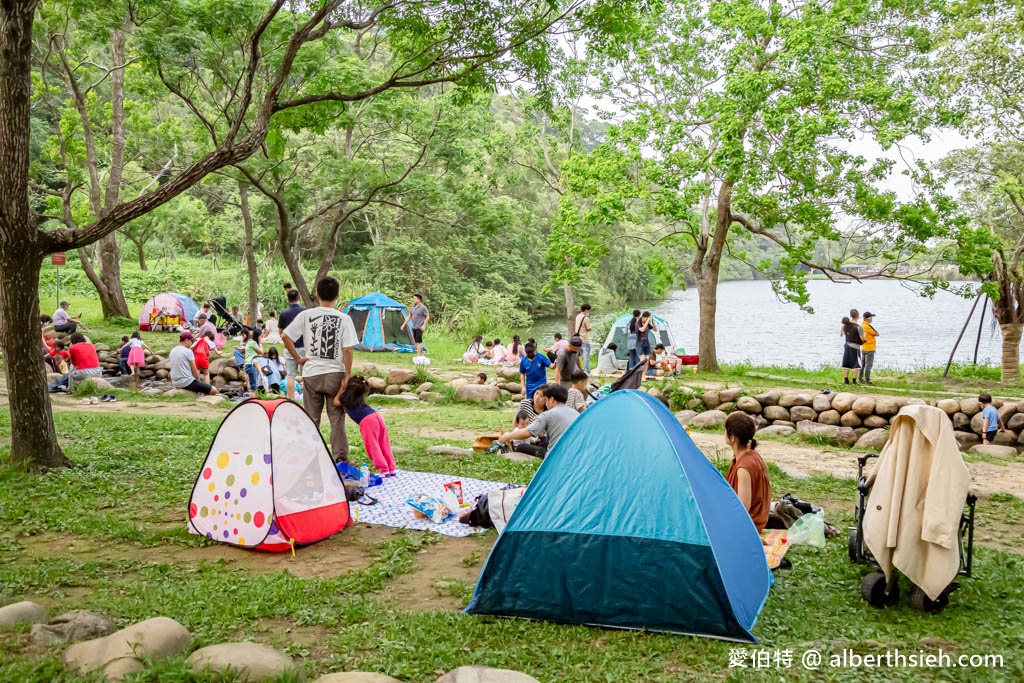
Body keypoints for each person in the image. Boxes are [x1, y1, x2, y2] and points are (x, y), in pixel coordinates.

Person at [283, 276, 358, 463]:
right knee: (336, 418)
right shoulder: (344, 319)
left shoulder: (306, 315)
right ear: (337, 296)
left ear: (317, 294)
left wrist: (298, 358)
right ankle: (340, 458)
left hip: (312, 373)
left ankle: (309, 457)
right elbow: (347, 349)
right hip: (335, 373)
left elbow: (285, 336)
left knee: (311, 418)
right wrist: (347, 374)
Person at [336, 376, 397, 477]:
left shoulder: (345, 398)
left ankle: (383, 469)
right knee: (383, 443)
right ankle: (391, 468)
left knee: (372, 446)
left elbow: (335, 402)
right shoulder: (359, 399)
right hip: (376, 416)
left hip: (367, 421)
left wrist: (341, 389)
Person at [498, 384, 578, 458]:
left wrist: (507, 436)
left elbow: (526, 433)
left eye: (546, 399)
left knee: (521, 447)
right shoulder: (575, 413)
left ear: (552, 399)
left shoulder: (548, 414)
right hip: (575, 452)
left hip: (556, 455)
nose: (546, 403)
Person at [724, 412, 771, 532]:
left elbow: (743, 508)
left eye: (726, 430)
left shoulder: (744, 468)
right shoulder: (752, 455)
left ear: (733, 437)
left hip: (748, 525)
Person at [277, 289, 306, 400]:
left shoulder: (284, 313)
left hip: (289, 347)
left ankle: (290, 399)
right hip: (304, 347)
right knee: (306, 375)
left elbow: (281, 332)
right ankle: (307, 398)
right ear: (299, 297)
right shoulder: (306, 312)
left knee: (291, 376)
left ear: (288, 299)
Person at [842, 309, 865, 384]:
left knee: (846, 363)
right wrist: (865, 340)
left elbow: (842, 331)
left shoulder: (846, 325)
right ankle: (854, 381)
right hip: (855, 347)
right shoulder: (859, 327)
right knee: (856, 364)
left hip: (847, 345)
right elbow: (862, 338)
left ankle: (846, 380)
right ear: (858, 315)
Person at [242, 329, 264, 395]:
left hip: (248, 364)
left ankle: (248, 395)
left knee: (253, 384)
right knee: (254, 385)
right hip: (251, 365)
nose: (261, 338)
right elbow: (261, 352)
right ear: (257, 336)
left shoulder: (249, 342)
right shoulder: (253, 343)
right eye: (261, 336)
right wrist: (260, 344)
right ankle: (250, 398)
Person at [574, 303, 593, 373]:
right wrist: (590, 329)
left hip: (577, 339)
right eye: (588, 310)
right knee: (586, 356)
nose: (589, 312)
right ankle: (587, 371)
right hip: (584, 339)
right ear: (586, 310)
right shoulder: (586, 318)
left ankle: (576, 369)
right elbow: (588, 329)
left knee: (577, 355)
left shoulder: (577, 316)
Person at [861, 312, 878, 384]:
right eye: (871, 317)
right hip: (870, 347)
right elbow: (876, 333)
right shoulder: (867, 326)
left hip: (864, 347)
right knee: (868, 364)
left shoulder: (861, 325)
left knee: (863, 364)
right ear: (867, 318)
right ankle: (867, 379)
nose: (871, 319)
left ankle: (860, 378)